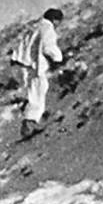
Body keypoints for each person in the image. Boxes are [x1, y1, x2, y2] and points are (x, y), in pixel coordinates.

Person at [12, 8, 65, 139]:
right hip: (36, 66)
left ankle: (30, 120)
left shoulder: (34, 27)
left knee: (33, 92)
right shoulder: (47, 28)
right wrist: (58, 58)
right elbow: (48, 47)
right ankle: (30, 123)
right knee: (38, 93)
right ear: (55, 20)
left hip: (24, 65)